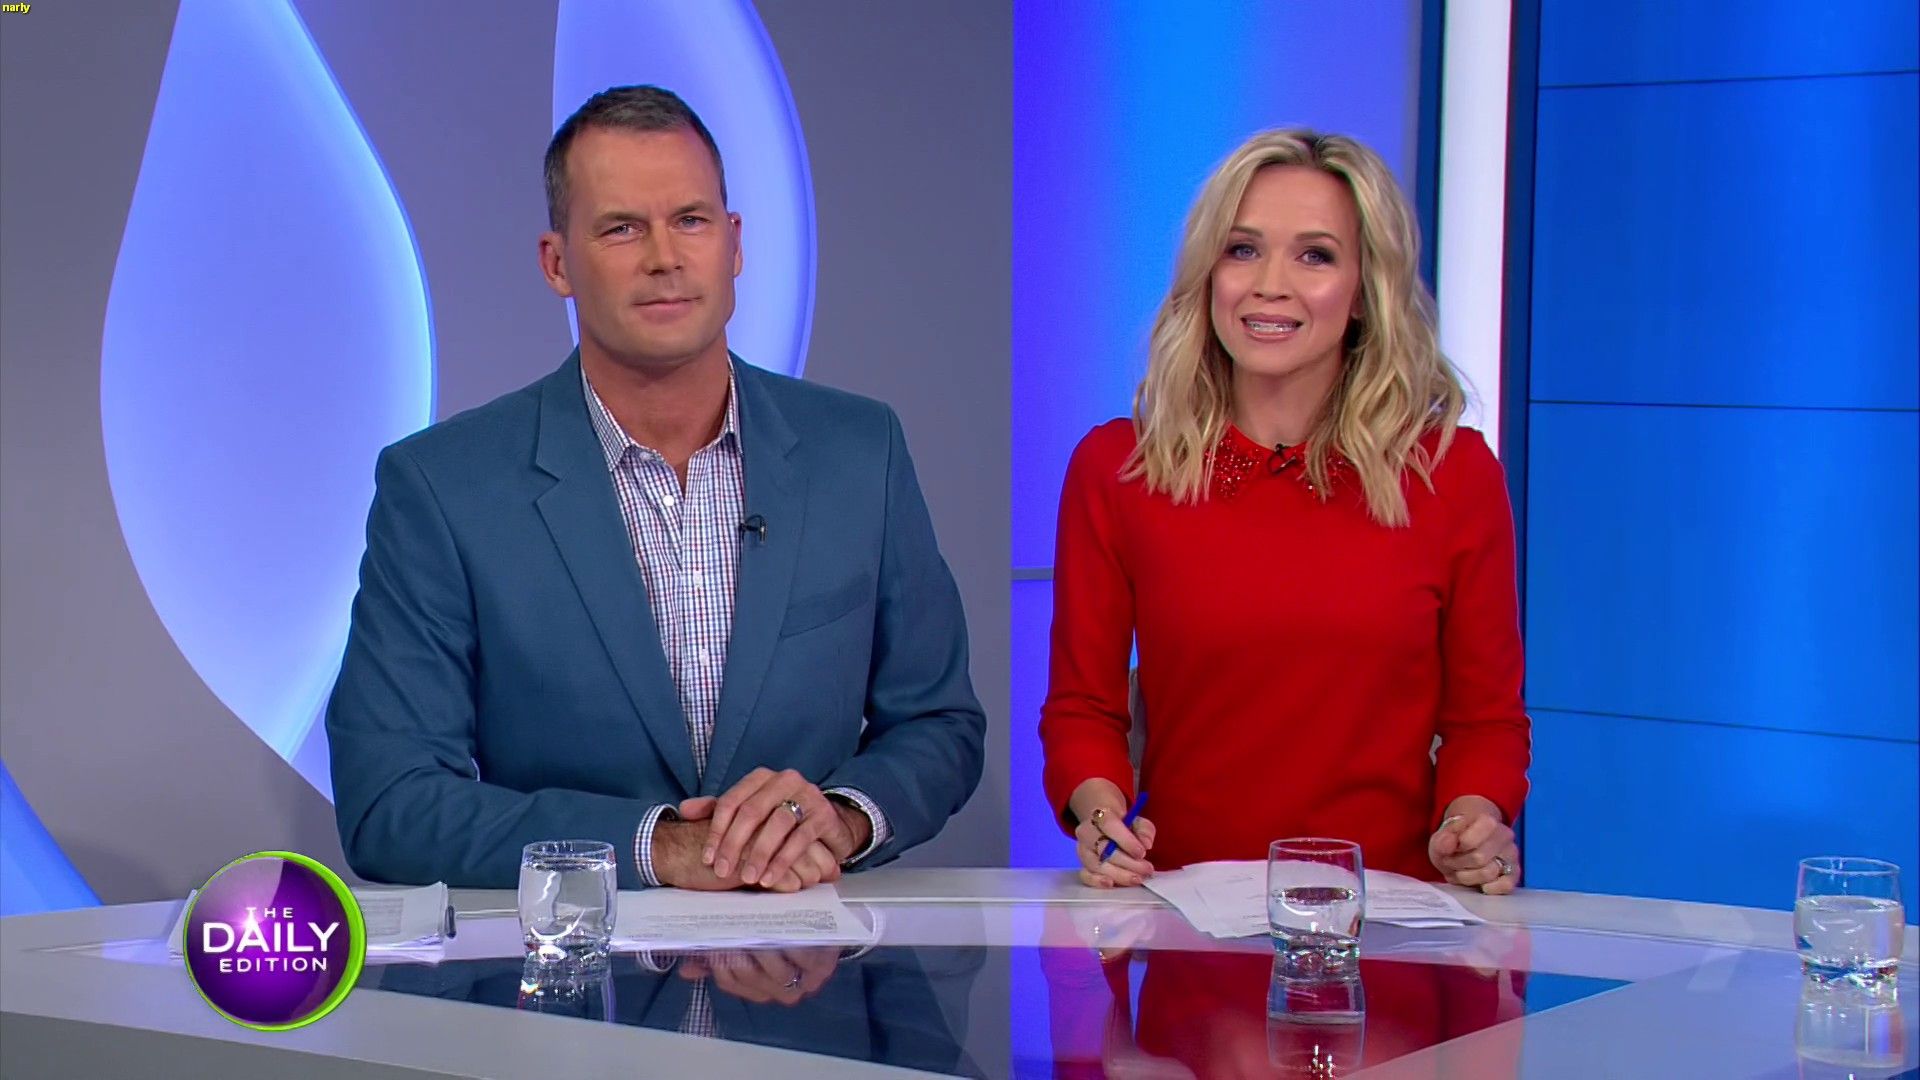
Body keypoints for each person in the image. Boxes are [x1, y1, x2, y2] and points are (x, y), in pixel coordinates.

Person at [327, 85, 984, 892]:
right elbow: (390, 801)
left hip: (812, 953)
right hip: (571, 963)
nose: (665, 257)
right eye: (621, 228)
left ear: (734, 244)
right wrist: (655, 847)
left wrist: (841, 817)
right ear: (557, 264)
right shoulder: (442, 487)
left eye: (691, 221)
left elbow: (939, 724)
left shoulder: (860, 452)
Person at [1039, 129, 1530, 893]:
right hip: (1184, 913)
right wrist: (1101, 815)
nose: (1270, 284)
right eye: (1242, 250)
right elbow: (1083, 711)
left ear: (1366, 291)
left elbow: (1485, 724)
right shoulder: (1118, 468)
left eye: (1315, 256)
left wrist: (1473, 824)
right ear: (1208, 275)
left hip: (1390, 920)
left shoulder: (1453, 474)